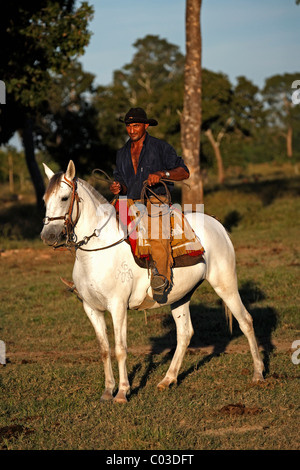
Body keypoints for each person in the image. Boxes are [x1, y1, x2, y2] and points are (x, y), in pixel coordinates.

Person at [110, 107, 190, 302]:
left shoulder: (161, 147)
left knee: (157, 233)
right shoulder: (121, 153)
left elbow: (184, 172)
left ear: (146, 125)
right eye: (128, 126)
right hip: (130, 200)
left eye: (136, 125)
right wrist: (118, 187)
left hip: (156, 198)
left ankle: (161, 278)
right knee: (102, 223)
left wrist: (163, 174)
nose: (131, 130)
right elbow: (122, 182)